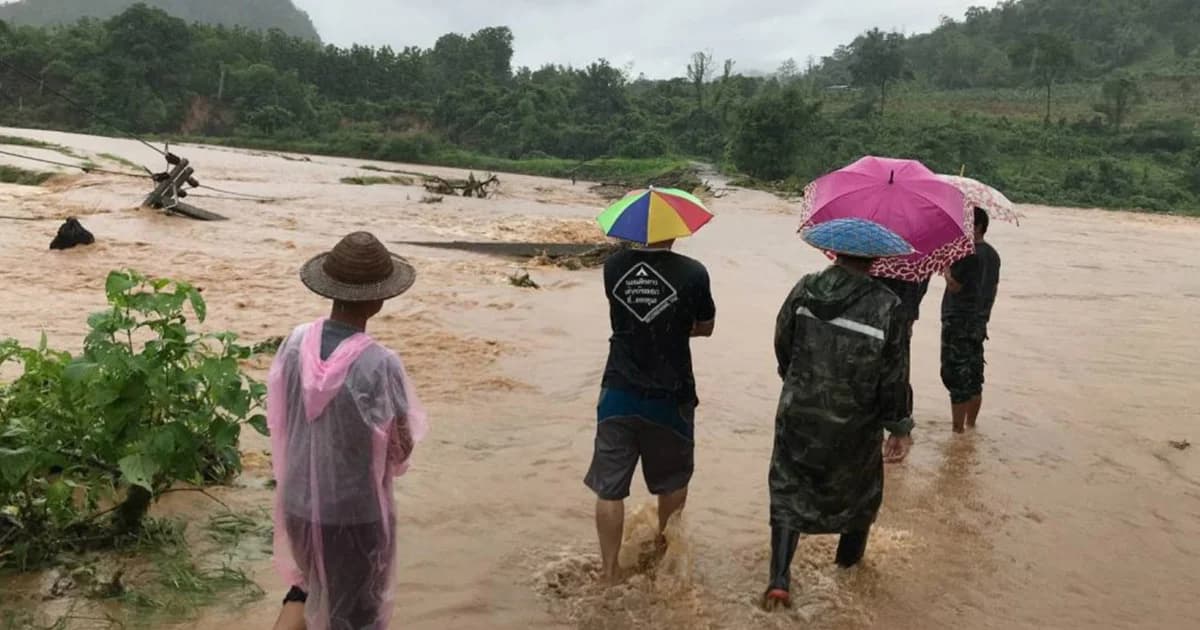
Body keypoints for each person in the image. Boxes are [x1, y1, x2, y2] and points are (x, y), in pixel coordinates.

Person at [268, 232, 429, 630]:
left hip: (298, 503)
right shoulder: (380, 364)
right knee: (357, 615)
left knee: (307, 590)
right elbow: (401, 449)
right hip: (354, 515)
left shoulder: (294, 343)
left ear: (329, 289)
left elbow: (280, 417)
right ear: (379, 300)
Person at [765, 220, 914, 610]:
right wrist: (899, 426)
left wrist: (797, 380)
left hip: (799, 412)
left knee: (788, 489)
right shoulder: (888, 306)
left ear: (834, 250)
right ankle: (847, 579)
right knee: (860, 497)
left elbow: (782, 341)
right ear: (876, 259)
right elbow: (894, 375)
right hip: (855, 424)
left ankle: (779, 580)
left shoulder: (804, 289)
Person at [584, 237, 715, 584]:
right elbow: (706, 326)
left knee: (609, 489)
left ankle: (609, 572)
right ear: (676, 230)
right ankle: (662, 558)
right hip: (670, 396)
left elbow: (623, 315)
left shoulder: (613, 266)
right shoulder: (694, 272)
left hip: (618, 392)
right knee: (672, 483)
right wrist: (677, 324)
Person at [941, 207, 1002, 433]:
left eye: (966, 223)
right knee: (975, 376)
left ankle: (957, 431)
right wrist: (984, 315)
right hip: (978, 323)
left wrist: (946, 267)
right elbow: (993, 288)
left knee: (955, 376)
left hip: (958, 321)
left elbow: (954, 286)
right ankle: (971, 426)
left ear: (977, 227)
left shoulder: (967, 253)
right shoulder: (993, 255)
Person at [874, 276, 931, 427]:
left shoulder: (878, 263)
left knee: (882, 371)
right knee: (898, 371)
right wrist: (910, 317)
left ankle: (897, 422)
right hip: (901, 315)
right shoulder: (915, 265)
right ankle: (900, 422)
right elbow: (920, 286)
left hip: (880, 315)